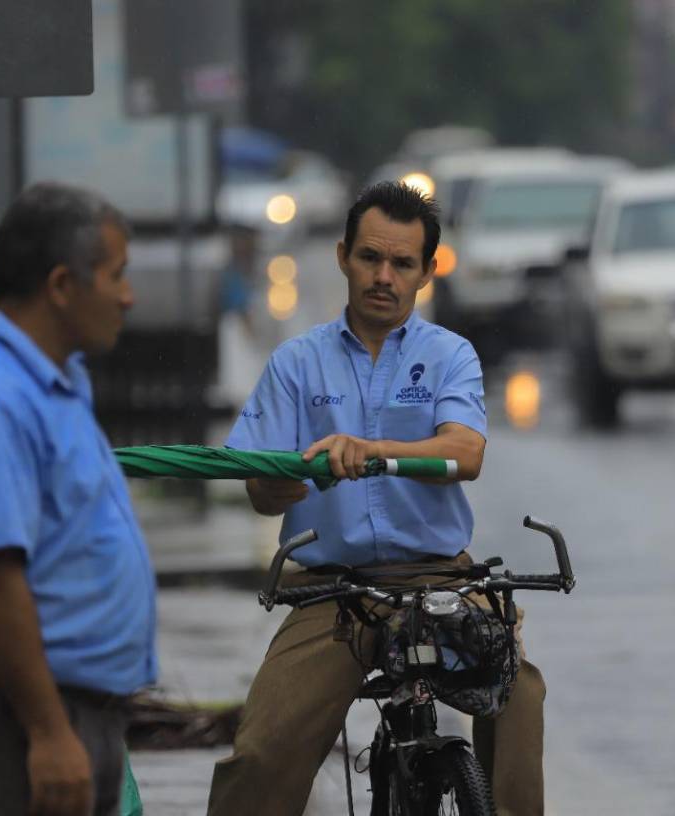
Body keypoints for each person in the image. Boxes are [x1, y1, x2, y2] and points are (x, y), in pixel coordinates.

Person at [206, 182, 546, 815]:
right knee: (262, 753)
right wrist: (291, 476)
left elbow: (463, 454)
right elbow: (260, 489)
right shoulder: (294, 365)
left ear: (425, 272)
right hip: (332, 591)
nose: (383, 276)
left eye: (402, 264)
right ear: (342, 256)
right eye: (370, 258)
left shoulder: (451, 356)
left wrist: (369, 449)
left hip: (440, 577)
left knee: (518, 689)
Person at [0, 183, 157, 816]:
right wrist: (49, 733)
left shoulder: (55, 379)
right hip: (13, 721)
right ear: (60, 284)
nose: (128, 296)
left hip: (69, 712)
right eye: (116, 275)